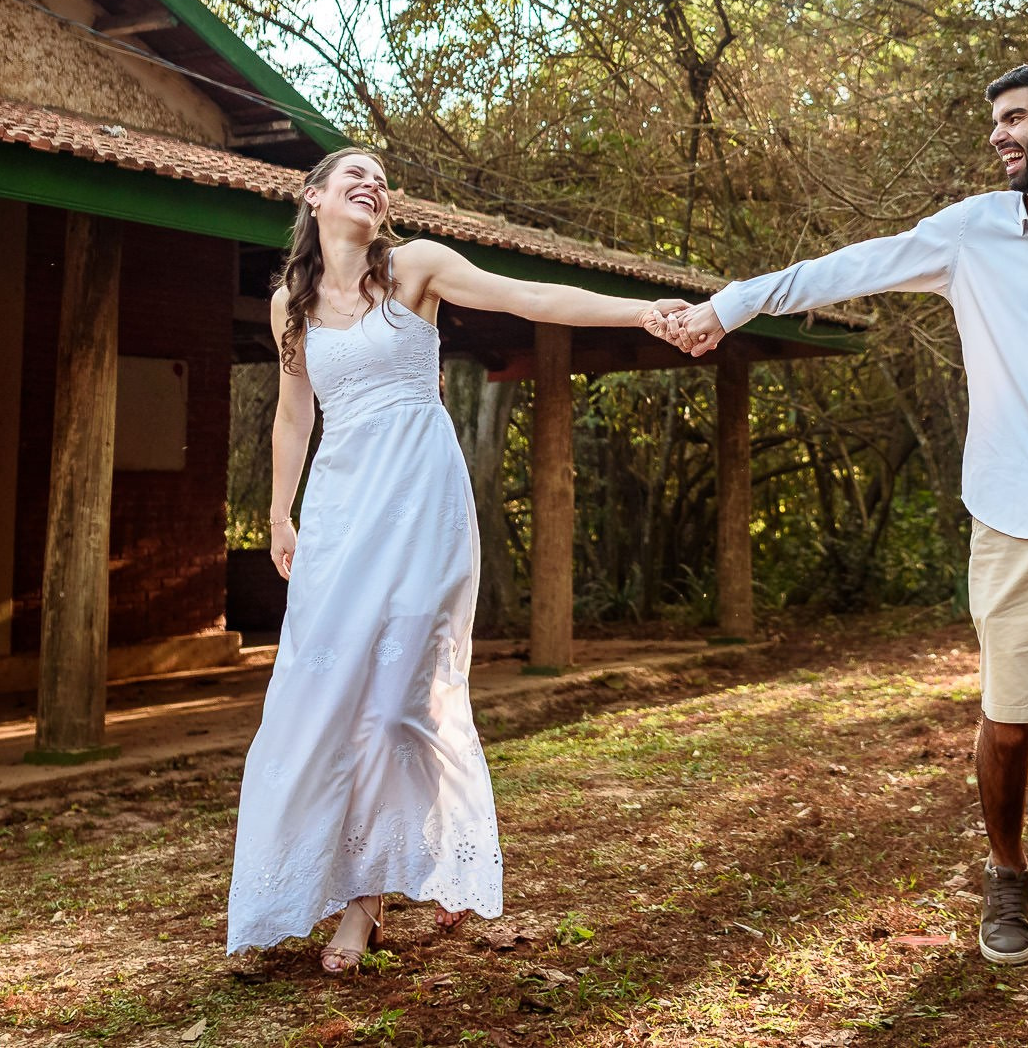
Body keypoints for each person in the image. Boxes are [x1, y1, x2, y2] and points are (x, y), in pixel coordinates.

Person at [669, 64, 1028, 1036]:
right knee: (1009, 721)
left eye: (1013, 119)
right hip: (1011, 515)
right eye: (993, 121)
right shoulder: (968, 232)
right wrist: (726, 307)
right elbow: (848, 264)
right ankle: (1007, 869)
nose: (997, 137)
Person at [226, 147, 688, 969]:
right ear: (314, 197)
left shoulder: (417, 269)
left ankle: (370, 899)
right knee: (324, 695)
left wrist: (636, 312)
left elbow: (530, 295)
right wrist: (278, 509)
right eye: (351, 175)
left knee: (405, 694)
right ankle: (367, 885)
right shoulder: (287, 306)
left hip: (421, 510)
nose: (370, 183)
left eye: (379, 177)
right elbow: (293, 412)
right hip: (338, 516)